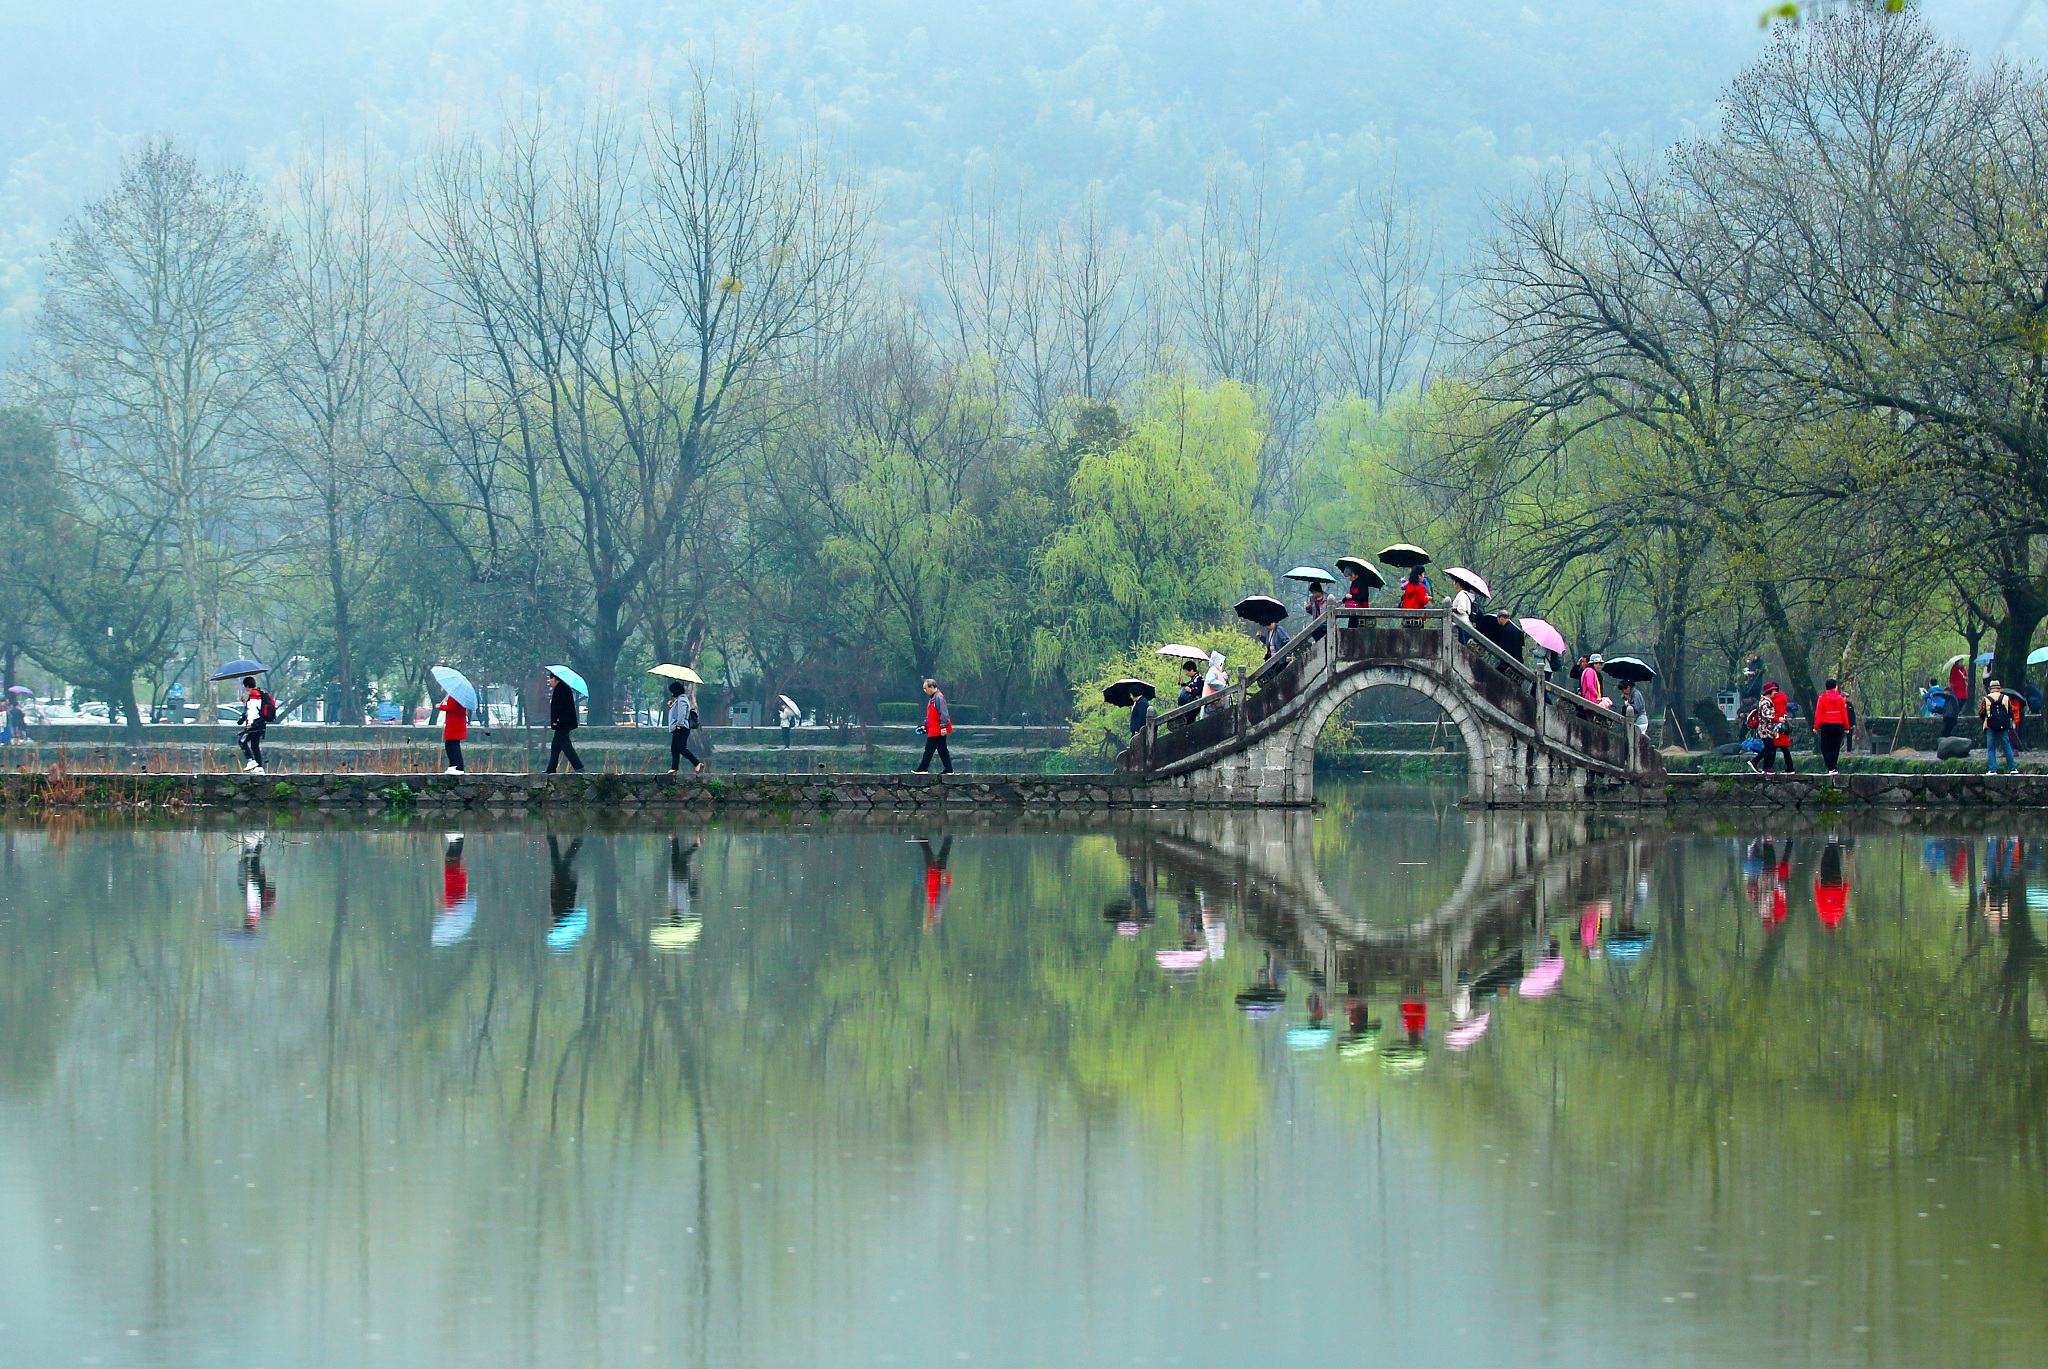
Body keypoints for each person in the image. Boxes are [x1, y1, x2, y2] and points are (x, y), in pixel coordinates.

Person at [544, 671, 585, 774]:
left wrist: (554, 721)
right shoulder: (564, 688)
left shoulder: (559, 689)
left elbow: (557, 708)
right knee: (555, 746)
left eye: (550, 679)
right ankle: (551, 769)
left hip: (562, 722)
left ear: (554, 679)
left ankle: (579, 767)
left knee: (566, 745)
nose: (550, 682)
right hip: (566, 722)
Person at [913, 678, 954, 774]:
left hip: (938, 729)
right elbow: (931, 714)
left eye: (925, 688)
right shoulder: (933, 698)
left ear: (932, 687)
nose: (925, 691)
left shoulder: (938, 698)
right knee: (942, 749)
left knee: (929, 748)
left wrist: (943, 727)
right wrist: (924, 725)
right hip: (934, 728)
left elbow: (944, 713)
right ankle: (949, 769)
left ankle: (923, 768)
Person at [1981, 677, 2021, 774]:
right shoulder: (2006, 698)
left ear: (1990, 689)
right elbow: (2010, 712)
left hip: (1990, 726)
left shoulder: (1986, 699)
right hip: (2003, 726)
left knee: (1991, 748)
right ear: (1999, 688)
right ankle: (2012, 768)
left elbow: (1982, 712)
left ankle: (1993, 769)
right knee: (2007, 745)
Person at [1812, 678, 1851, 775]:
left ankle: (1830, 767)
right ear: (1836, 687)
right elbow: (1844, 714)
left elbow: (1818, 713)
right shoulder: (1840, 699)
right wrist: (1846, 727)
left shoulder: (1822, 698)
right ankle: (1834, 766)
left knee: (1825, 747)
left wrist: (1816, 726)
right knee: (1835, 746)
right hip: (1838, 725)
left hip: (1827, 724)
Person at [665, 680, 704, 773]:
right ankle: (674, 767)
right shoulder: (679, 700)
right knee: (674, 748)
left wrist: (679, 725)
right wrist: (672, 705)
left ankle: (697, 763)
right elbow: (676, 712)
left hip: (680, 728)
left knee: (681, 748)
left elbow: (681, 714)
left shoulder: (682, 700)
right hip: (678, 728)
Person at [237, 675, 273, 774]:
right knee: (254, 746)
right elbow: (255, 706)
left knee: (241, 741)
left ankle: (251, 761)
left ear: (246, 686)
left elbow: (252, 710)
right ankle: (260, 766)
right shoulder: (259, 693)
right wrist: (245, 702)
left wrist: (249, 722)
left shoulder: (253, 694)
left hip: (254, 723)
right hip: (261, 723)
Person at [433, 688, 468, 773]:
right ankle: (453, 765)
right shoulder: (456, 696)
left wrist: (440, 706)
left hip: (455, 725)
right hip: (452, 724)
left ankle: (459, 767)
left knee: (454, 746)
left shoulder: (456, 697)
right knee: (449, 745)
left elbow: (452, 708)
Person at [1943, 657, 1971, 738]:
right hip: (1957, 690)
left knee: (1963, 700)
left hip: (1963, 689)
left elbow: (1966, 677)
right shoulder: (1954, 669)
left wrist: (1965, 678)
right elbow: (1952, 680)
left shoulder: (1963, 669)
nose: (1962, 663)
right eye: (1961, 661)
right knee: (1957, 703)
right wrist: (1953, 689)